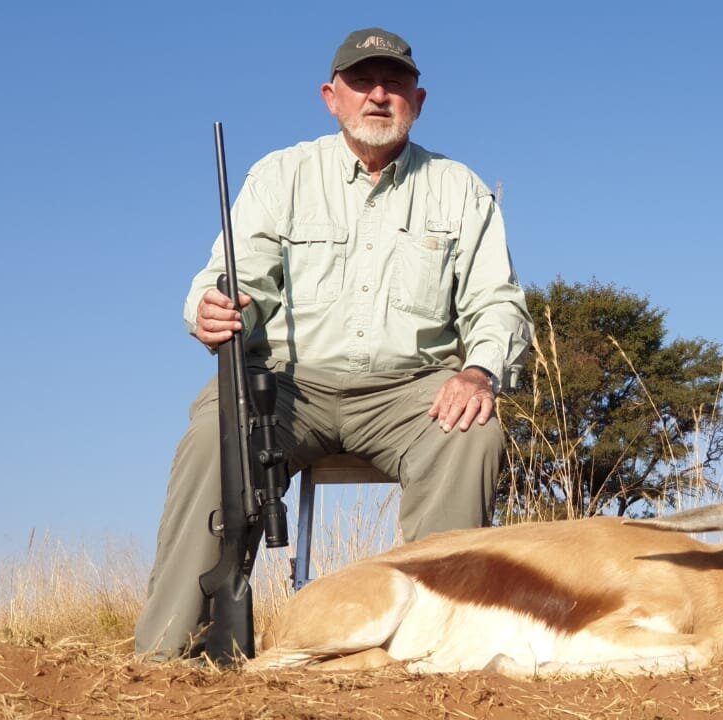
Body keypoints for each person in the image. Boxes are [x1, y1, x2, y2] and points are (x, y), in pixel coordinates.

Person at [135, 27, 533, 660]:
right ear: (332, 97)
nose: (379, 95)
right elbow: (234, 277)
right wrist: (217, 306)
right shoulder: (280, 175)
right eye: (361, 82)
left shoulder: (459, 186)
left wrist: (480, 372)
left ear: (418, 100)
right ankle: (164, 654)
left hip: (412, 393)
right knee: (214, 437)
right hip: (289, 385)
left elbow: (497, 302)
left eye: (395, 83)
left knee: (472, 430)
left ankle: (434, 651)